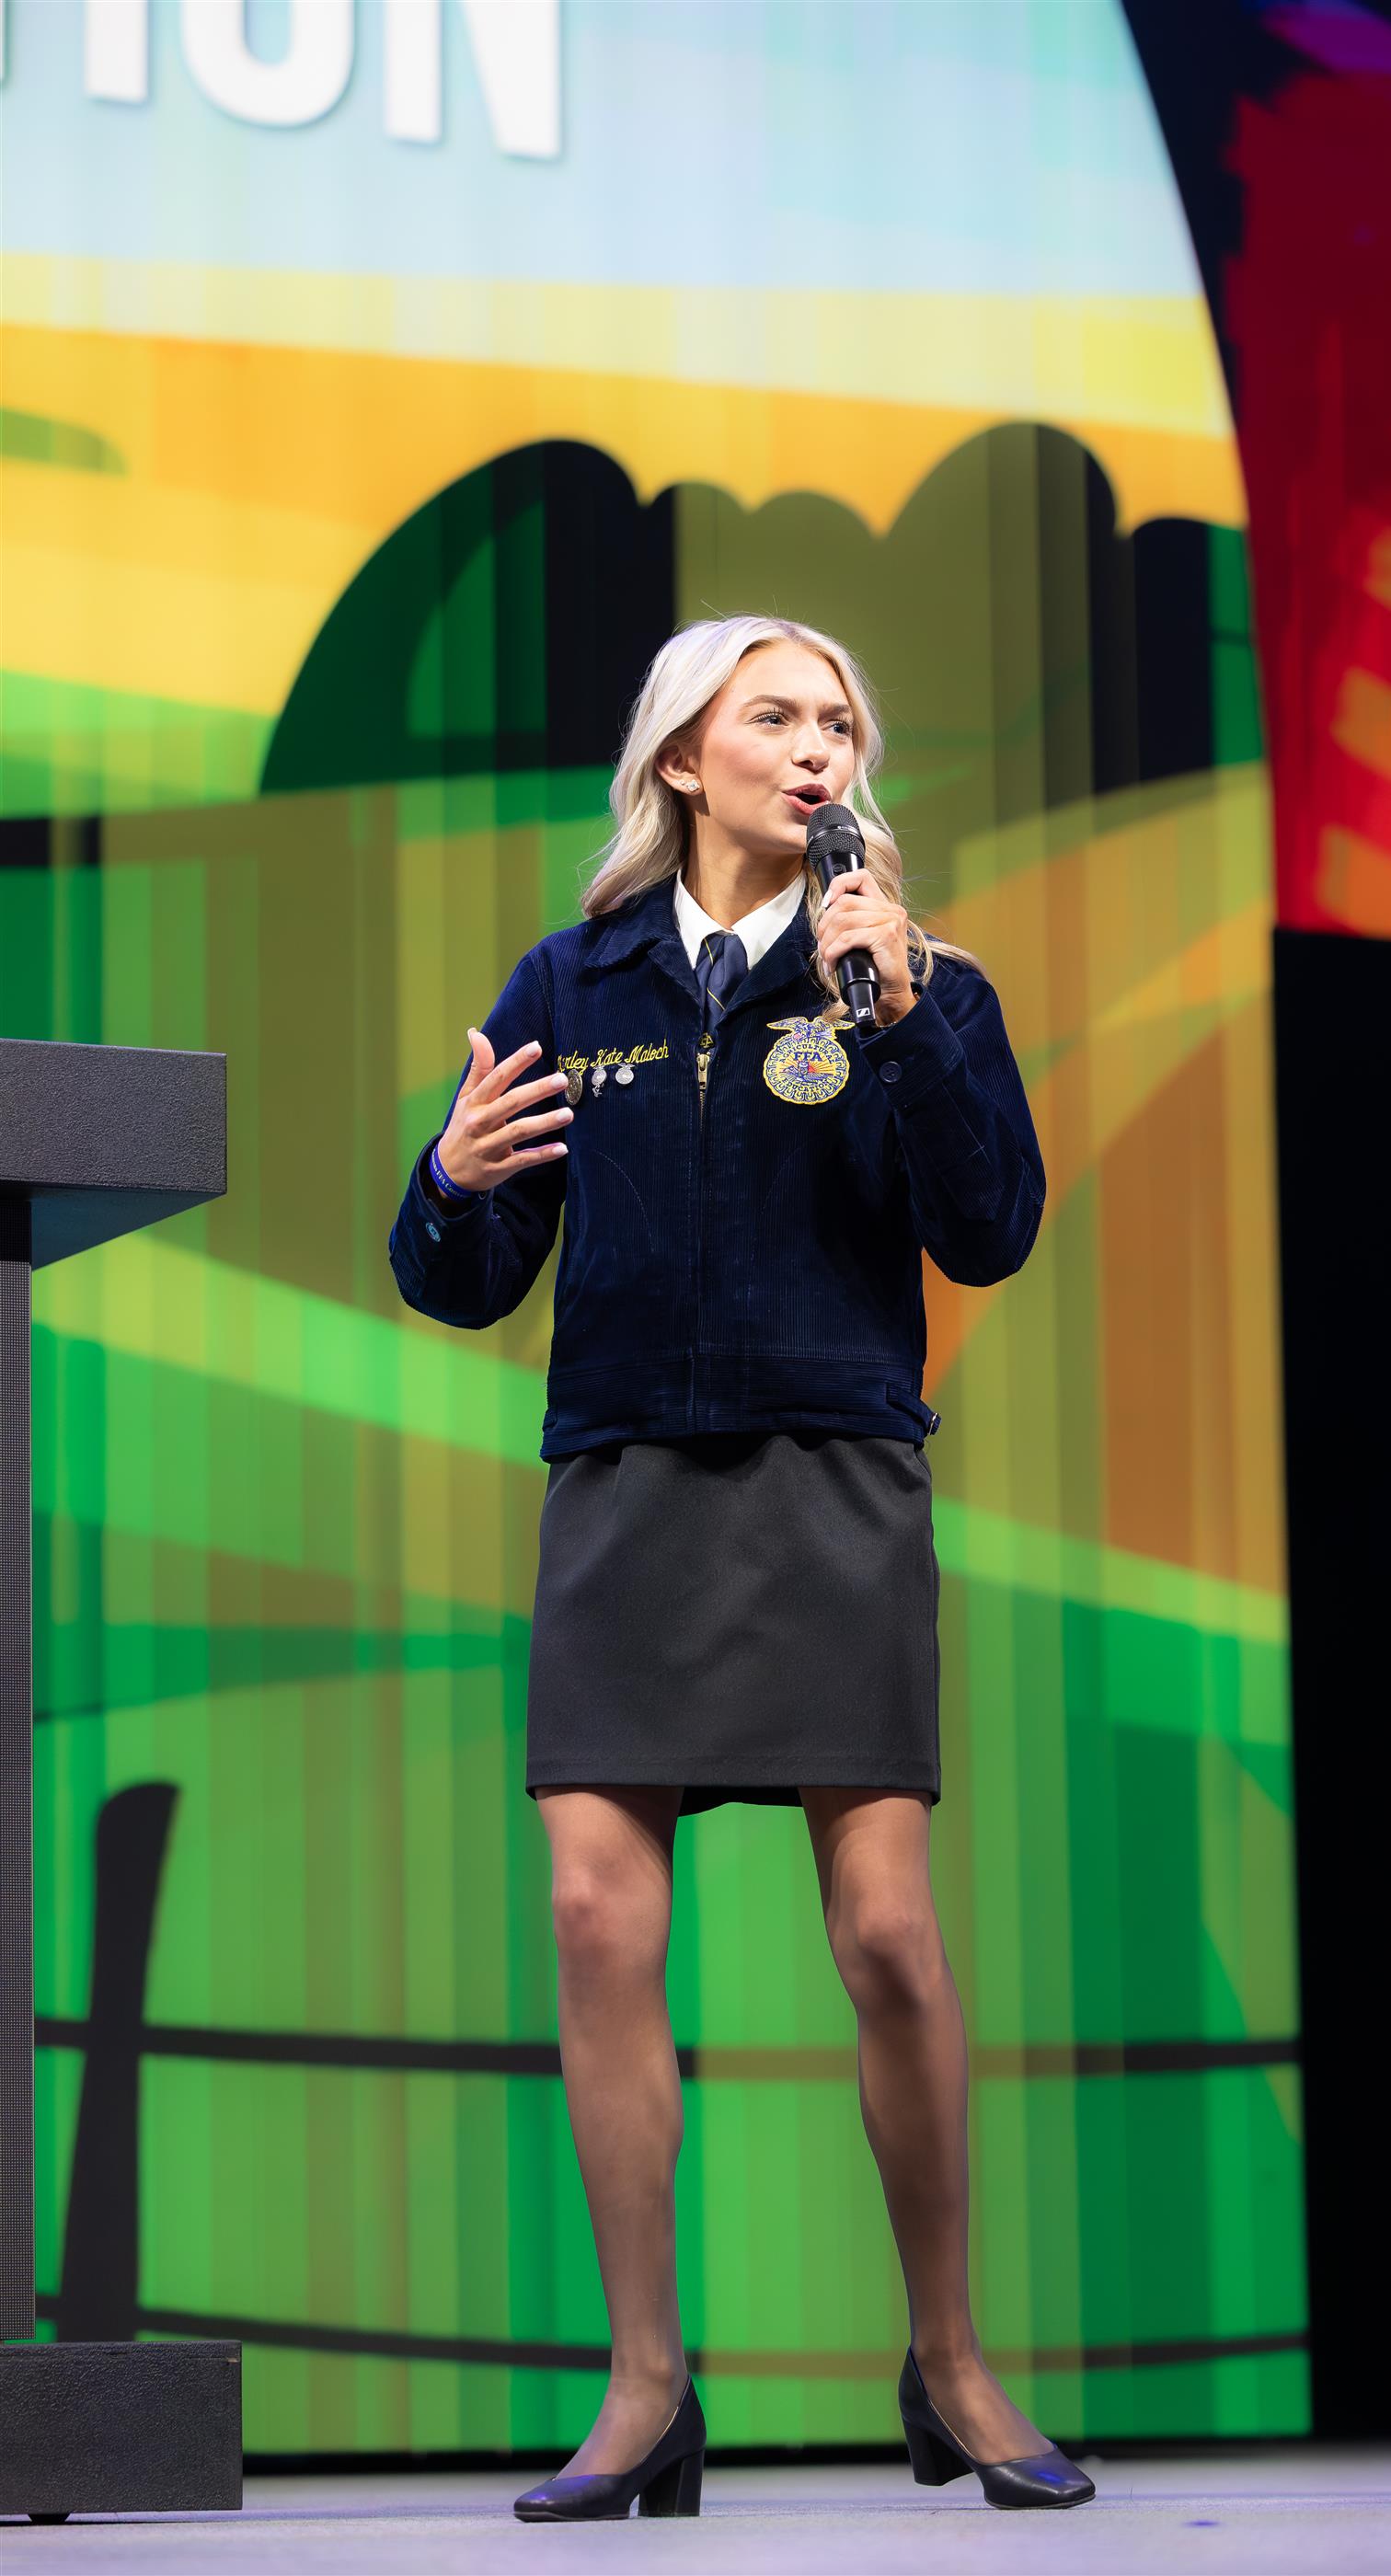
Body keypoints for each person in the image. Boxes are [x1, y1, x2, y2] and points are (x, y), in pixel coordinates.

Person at [387, 614, 1093, 2520]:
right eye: (773, 714)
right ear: (682, 758)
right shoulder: (575, 979)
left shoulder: (915, 981)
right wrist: (448, 1184)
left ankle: (950, 2362)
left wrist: (904, 1016)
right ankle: (645, 2388)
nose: (815, 744)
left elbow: (991, 1227)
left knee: (887, 1934)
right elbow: (461, 1278)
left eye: (839, 719)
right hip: (625, 1486)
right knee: (596, 1921)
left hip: (831, 1475)